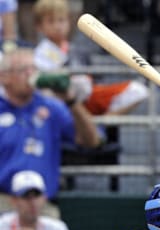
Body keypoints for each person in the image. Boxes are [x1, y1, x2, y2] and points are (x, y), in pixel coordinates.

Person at [0, 48, 101, 217]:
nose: (30, 74)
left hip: (42, 203)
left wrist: (71, 100)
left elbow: (92, 140)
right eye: (23, 70)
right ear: (4, 77)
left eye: (33, 69)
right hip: (3, 201)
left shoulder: (51, 107)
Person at [32, 0, 149, 116]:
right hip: (59, 103)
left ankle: (99, 126)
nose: (57, 26)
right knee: (79, 82)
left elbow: (93, 81)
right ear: (39, 26)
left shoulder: (77, 50)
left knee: (137, 90)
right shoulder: (40, 53)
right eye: (51, 21)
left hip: (87, 100)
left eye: (61, 20)